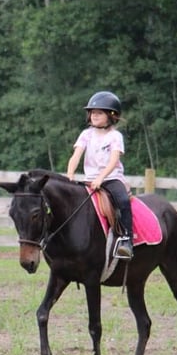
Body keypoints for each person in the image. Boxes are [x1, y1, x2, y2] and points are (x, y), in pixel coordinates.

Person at [66, 91, 134, 259]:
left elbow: (113, 161)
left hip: (111, 179)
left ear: (112, 116)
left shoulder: (115, 136)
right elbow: (76, 156)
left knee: (123, 201)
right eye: (92, 113)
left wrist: (101, 178)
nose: (94, 116)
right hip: (89, 181)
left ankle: (126, 240)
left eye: (99, 113)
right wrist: (70, 175)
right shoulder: (86, 134)